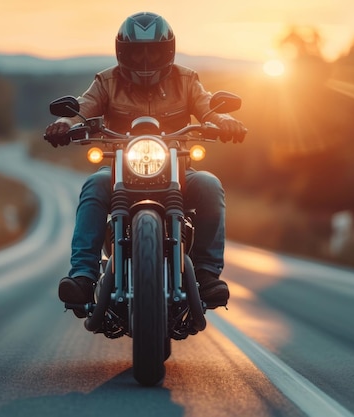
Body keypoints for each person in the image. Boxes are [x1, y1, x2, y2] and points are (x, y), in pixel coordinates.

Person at [44, 12, 246, 316]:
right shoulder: (107, 80)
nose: (146, 58)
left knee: (209, 185)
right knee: (94, 185)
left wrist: (224, 119)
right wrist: (64, 122)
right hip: (120, 172)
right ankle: (83, 276)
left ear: (167, 50)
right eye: (138, 50)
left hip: (177, 171)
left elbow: (208, 108)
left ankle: (206, 274)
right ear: (123, 51)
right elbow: (81, 108)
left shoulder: (187, 79)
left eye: (153, 49)